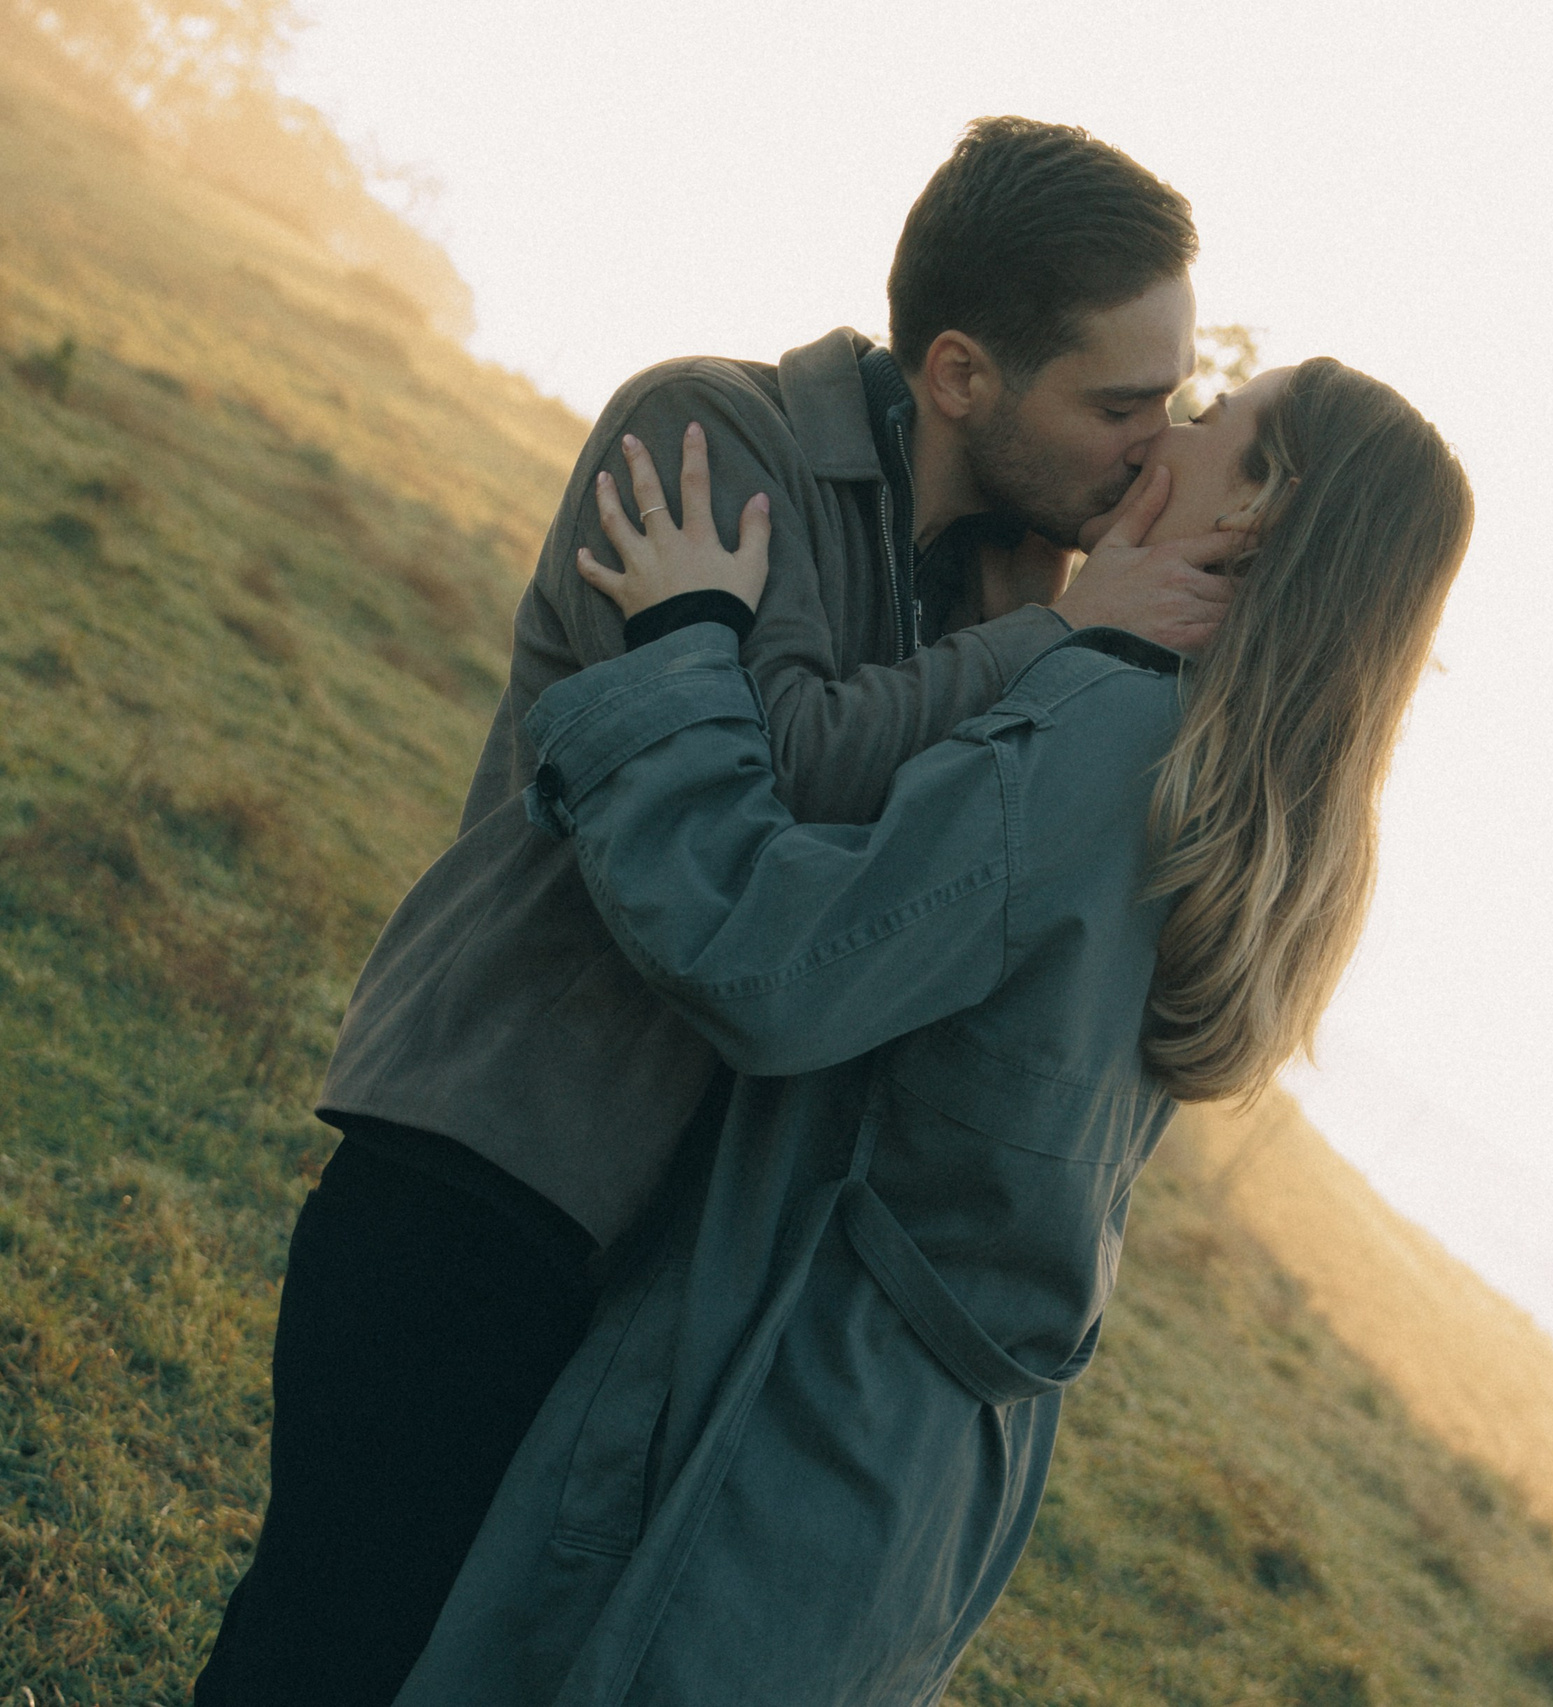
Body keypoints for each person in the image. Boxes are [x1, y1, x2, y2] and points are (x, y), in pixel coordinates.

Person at [194, 118, 1240, 1707]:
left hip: (662, 1263)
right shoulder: (706, 437)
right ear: (959, 372)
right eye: (1120, 403)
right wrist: (1057, 644)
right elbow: (776, 775)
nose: (1147, 445)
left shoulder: (989, 578)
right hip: (490, 1167)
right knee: (331, 1648)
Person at [390, 355, 1472, 1705]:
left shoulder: (1119, 733)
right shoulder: (1237, 809)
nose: (1167, 439)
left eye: (1213, 425)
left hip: (780, 1415)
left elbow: (770, 958)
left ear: (1257, 514)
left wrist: (682, 651)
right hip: (925, 1485)